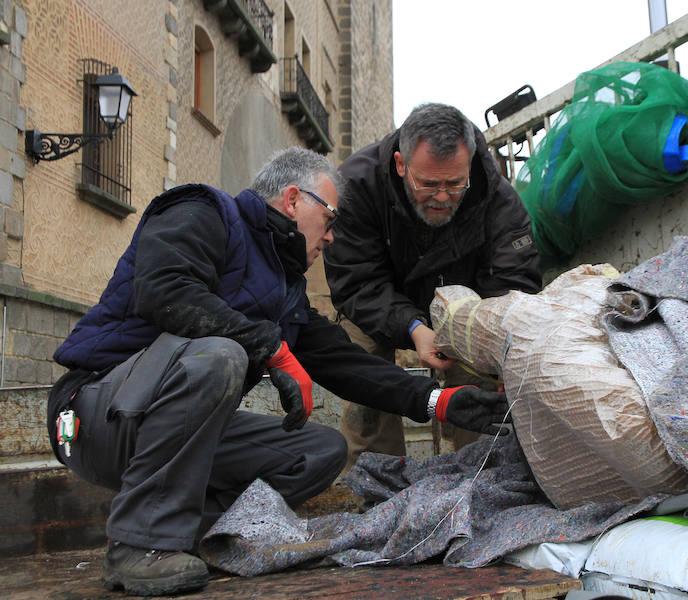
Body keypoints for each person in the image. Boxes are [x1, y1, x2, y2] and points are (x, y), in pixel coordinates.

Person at [47, 147, 508, 597]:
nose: (331, 238)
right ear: (292, 200)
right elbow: (166, 291)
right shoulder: (201, 212)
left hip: (172, 434)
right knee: (220, 355)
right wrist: (270, 348)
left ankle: (194, 533)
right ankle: (139, 545)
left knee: (319, 451)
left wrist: (436, 401)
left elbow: (344, 362)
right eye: (329, 220)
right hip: (94, 414)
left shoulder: (285, 291)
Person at [324, 103, 541, 469]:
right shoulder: (355, 185)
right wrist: (413, 327)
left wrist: (501, 350)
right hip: (379, 300)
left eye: (455, 184)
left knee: (483, 380)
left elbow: (514, 282)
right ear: (400, 164)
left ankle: (484, 476)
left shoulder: (497, 196)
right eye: (427, 184)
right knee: (364, 376)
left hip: (466, 305)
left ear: (469, 165)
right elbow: (356, 281)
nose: (442, 196)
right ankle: (377, 480)